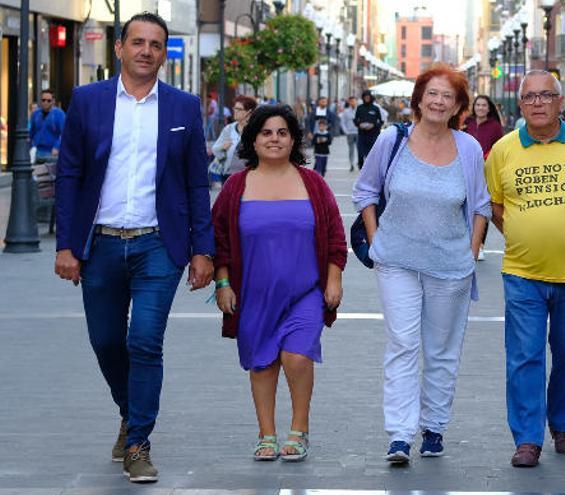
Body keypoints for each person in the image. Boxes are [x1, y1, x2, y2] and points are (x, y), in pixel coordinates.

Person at [54, 13, 214, 483]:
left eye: (156, 45)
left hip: (158, 245)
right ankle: (129, 409)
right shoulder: (88, 101)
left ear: (165, 54)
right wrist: (66, 244)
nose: (147, 51)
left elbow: (195, 185)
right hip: (99, 244)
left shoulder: (183, 108)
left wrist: (202, 249)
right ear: (119, 47)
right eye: (138, 42)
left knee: (144, 341)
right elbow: (69, 174)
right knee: (106, 341)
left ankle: (139, 442)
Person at [352, 64, 491, 464]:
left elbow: (480, 204)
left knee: (442, 349)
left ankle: (434, 426)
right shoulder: (391, 139)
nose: (438, 101)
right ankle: (399, 433)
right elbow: (364, 190)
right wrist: (377, 240)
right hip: (396, 261)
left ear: (458, 105)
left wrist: (473, 249)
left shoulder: (467, 148)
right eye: (432, 93)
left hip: (451, 265)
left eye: (448, 96)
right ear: (418, 98)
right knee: (402, 344)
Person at [484, 70, 565, 467]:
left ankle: (563, 425)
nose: (538, 103)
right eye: (530, 97)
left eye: (546, 96)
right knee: (524, 356)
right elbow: (495, 207)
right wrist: (527, 235)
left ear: (561, 102)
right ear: (520, 105)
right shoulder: (504, 150)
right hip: (522, 273)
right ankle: (527, 438)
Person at [212, 104, 347, 464]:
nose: (274, 139)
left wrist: (334, 279)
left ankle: (299, 429)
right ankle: (266, 433)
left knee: (297, 356)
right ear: (253, 141)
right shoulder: (235, 187)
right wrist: (222, 283)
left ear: (293, 140)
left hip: (305, 292)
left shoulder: (312, 184)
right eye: (266, 133)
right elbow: (219, 241)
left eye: (282, 133)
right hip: (253, 294)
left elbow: (335, 235)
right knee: (262, 363)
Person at [463, 94, 505, 260]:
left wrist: (487, 156)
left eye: (484, 105)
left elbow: (498, 147)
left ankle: (480, 245)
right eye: (478, 105)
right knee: (466, 205)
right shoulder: (467, 123)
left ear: (489, 108)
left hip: (486, 169)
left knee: (482, 206)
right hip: (466, 169)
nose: (480, 108)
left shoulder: (495, 126)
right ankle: (467, 242)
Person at [211, 95, 257, 183]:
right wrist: (222, 147)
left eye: (239, 109)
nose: (235, 111)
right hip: (228, 175)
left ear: (249, 112)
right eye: (234, 108)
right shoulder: (229, 129)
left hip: (249, 175)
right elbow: (215, 149)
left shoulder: (256, 129)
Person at [29, 89, 66, 159]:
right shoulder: (36, 114)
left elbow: (64, 133)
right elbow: (32, 132)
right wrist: (31, 145)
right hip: (37, 151)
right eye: (43, 100)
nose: (45, 102)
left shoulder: (59, 114)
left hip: (52, 152)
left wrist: (57, 147)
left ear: (53, 101)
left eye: (49, 101)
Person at [354, 90, 384, 169]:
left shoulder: (375, 108)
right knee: (360, 152)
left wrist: (373, 125)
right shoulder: (360, 108)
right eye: (365, 97)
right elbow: (355, 120)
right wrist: (359, 124)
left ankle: (370, 168)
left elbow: (381, 121)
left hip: (373, 134)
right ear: (363, 98)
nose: (367, 98)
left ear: (371, 98)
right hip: (362, 134)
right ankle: (360, 166)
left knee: (371, 153)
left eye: (368, 97)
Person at [340, 96, 359, 171]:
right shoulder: (346, 111)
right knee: (351, 149)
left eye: (354, 101)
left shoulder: (359, 110)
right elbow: (342, 122)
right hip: (350, 133)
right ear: (349, 102)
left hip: (358, 132)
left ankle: (360, 163)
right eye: (351, 101)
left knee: (359, 149)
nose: (353, 103)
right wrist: (346, 131)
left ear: (356, 101)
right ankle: (351, 164)